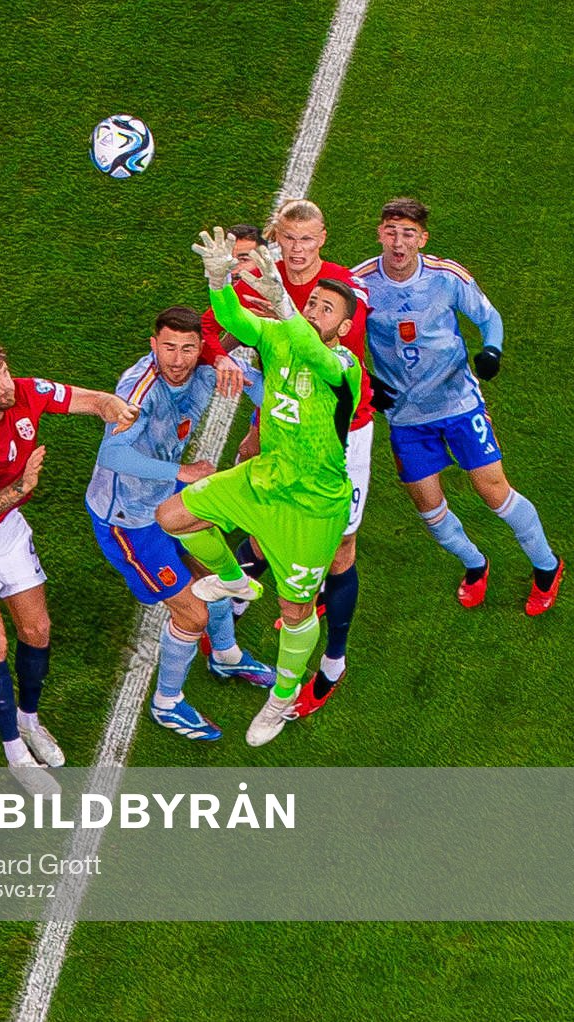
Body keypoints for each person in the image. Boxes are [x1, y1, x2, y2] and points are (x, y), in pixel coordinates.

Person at [157, 229, 360, 747]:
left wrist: (288, 312)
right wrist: (218, 279)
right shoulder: (274, 336)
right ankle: (235, 579)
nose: (315, 309)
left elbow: (312, 353)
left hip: (312, 504)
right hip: (263, 477)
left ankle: (281, 697)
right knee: (174, 517)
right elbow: (230, 322)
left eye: (327, 308)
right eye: (312, 301)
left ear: (345, 324)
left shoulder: (344, 367)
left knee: (295, 610)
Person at [0, 336, 139, 771]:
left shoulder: (27, 392)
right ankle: (13, 750)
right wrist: (23, 486)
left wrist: (113, 405)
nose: (6, 385)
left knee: (37, 629)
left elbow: (87, 400)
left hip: (5, 529)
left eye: (4, 371)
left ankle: (29, 720)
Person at [204, 201, 375, 717]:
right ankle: (249, 591)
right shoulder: (262, 277)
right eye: (289, 240)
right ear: (277, 236)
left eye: (307, 241)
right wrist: (221, 356)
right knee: (260, 514)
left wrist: (277, 306)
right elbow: (217, 327)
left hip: (341, 434)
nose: (298, 253)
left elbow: (326, 364)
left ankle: (333, 663)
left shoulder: (344, 293)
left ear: (322, 238)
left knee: (341, 551)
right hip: (282, 423)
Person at [353, 197, 563, 613]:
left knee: (494, 492)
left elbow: (489, 317)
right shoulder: (359, 283)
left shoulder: (446, 277)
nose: (399, 242)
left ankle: (546, 566)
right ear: (379, 233)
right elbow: (339, 334)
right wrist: (366, 379)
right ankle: (475, 563)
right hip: (406, 417)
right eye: (391, 231)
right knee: (429, 509)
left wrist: (492, 351)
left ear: (422, 239)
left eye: (408, 234)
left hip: (458, 405)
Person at [86, 308, 275, 741]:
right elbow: (112, 455)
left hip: (164, 505)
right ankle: (167, 704)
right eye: (168, 347)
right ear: (154, 345)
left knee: (220, 576)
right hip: (127, 521)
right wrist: (183, 473)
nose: (177, 359)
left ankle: (225, 655)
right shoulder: (139, 390)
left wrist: (261, 401)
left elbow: (266, 392)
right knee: (193, 611)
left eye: (188, 348)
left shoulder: (209, 370)